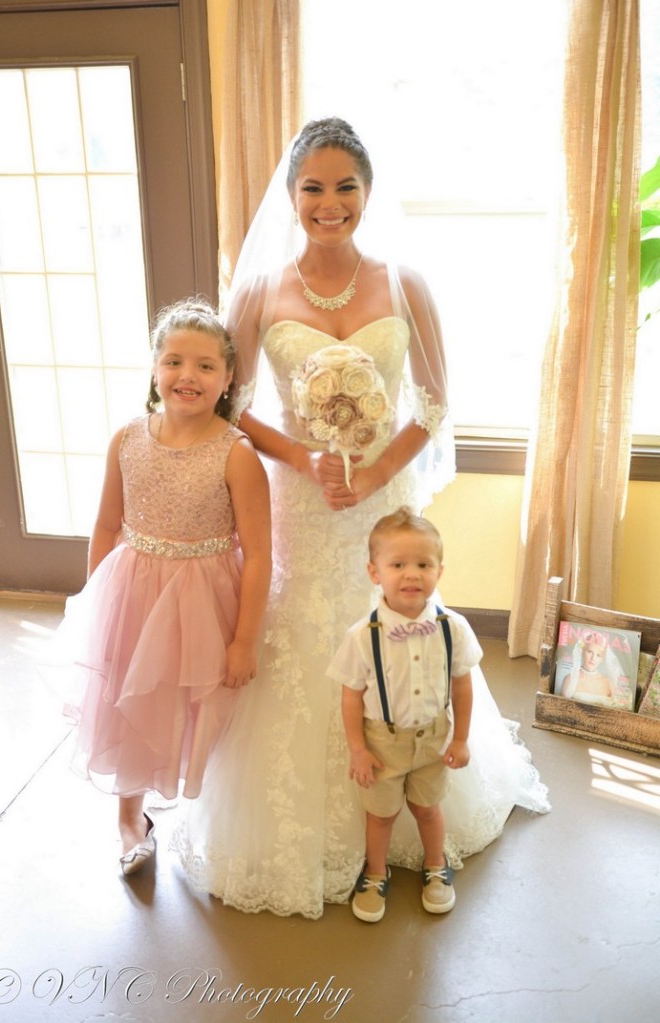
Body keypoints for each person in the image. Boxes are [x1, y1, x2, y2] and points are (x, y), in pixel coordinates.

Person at [174, 117, 550, 918]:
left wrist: (376, 467)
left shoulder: (404, 283)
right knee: (304, 630)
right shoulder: (260, 291)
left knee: (396, 619)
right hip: (300, 497)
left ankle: (418, 801)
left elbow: (435, 401)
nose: (330, 202)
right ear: (291, 195)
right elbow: (232, 402)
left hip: (381, 499)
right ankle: (313, 819)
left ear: (368, 193)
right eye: (313, 187)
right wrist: (300, 455)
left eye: (346, 186)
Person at [57, 298, 271, 875]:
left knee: (202, 706)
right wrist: (97, 607)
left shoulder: (237, 454)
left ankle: (213, 813)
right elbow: (107, 525)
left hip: (207, 601)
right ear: (155, 369)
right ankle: (130, 819)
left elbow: (259, 554)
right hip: (133, 593)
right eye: (174, 361)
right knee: (131, 702)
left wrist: (244, 640)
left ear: (227, 378)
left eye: (205, 365)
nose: (187, 376)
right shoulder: (127, 438)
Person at [329, 508, 481, 923]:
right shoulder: (362, 636)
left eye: (423, 565)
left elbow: (462, 686)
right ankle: (375, 873)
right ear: (374, 572)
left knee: (428, 808)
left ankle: (436, 865)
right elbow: (350, 697)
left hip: (433, 739)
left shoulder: (453, 628)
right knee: (381, 814)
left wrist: (461, 738)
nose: (411, 574)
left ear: (439, 571)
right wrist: (358, 749)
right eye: (398, 565)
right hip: (382, 743)